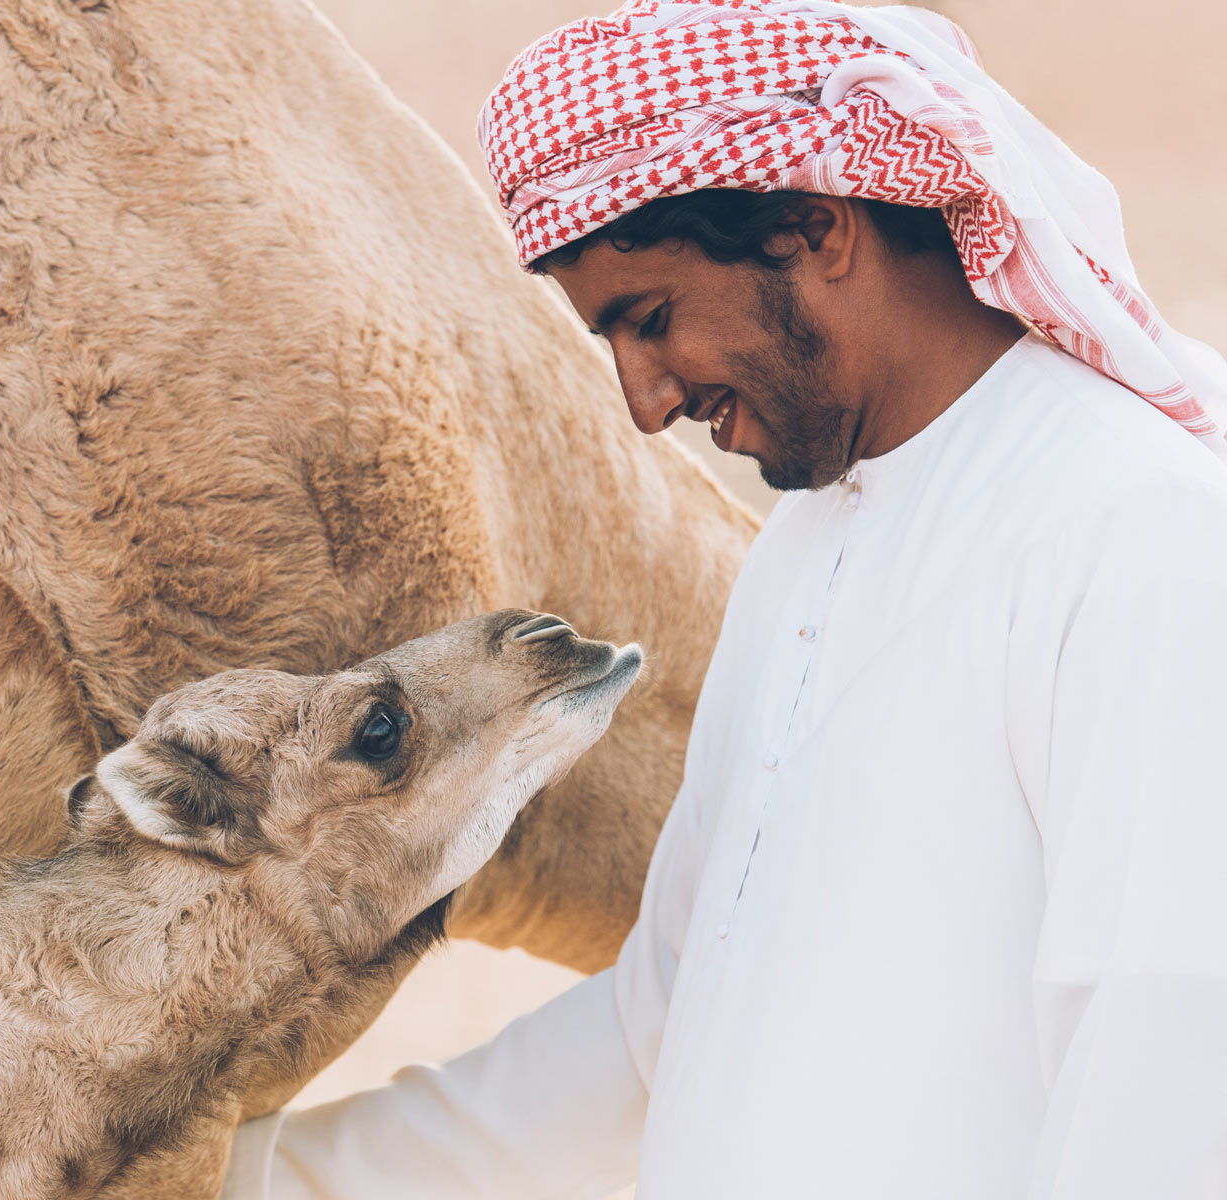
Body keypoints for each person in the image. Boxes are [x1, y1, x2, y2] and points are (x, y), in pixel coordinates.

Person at [218, 2, 1227, 1198]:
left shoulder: (1132, 529)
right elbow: (664, 1026)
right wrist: (253, 1185)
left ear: (816, 226)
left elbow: (1164, 1058)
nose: (645, 402)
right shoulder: (802, 552)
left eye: (650, 321)